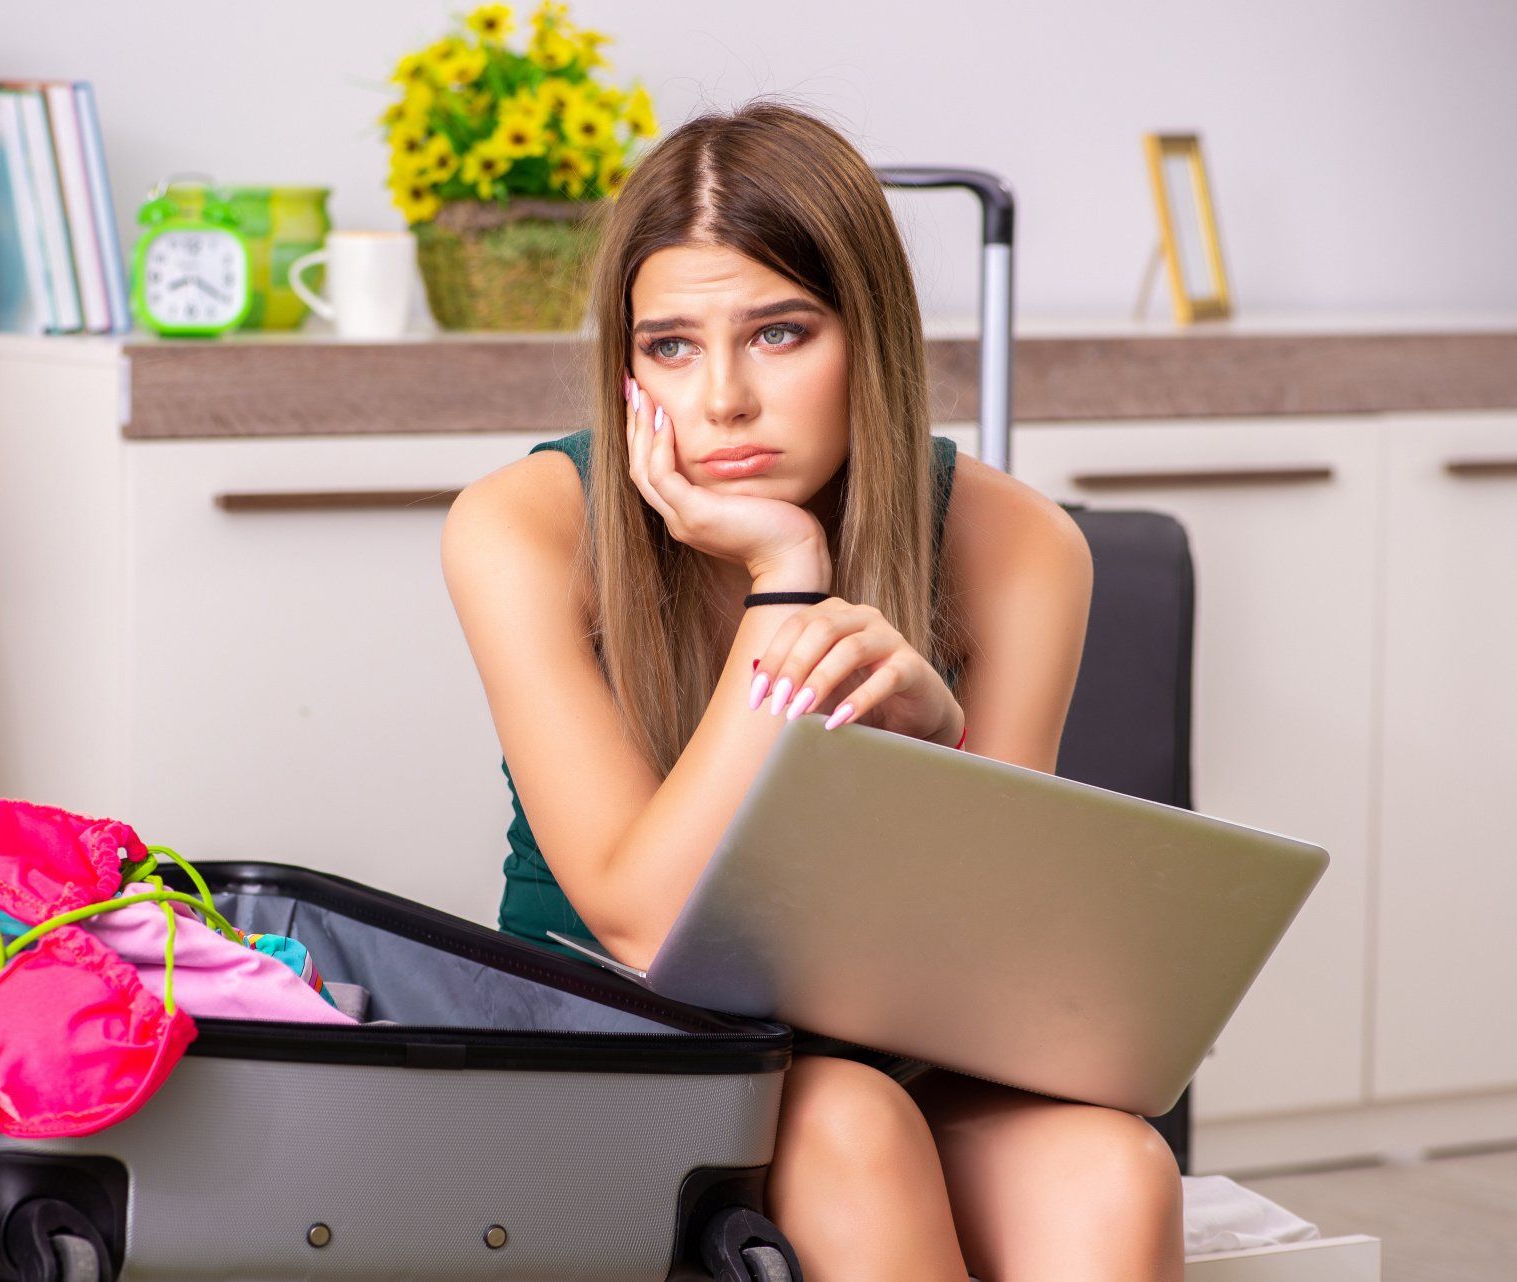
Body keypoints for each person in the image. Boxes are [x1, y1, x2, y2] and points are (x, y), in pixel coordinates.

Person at [440, 99, 1184, 1281]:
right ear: (626, 367)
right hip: (627, 1054)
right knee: (848, 1121)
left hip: (883, 1049)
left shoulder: (1021, 544)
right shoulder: (522, 525)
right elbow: (645, 924)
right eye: (670, 346)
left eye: (779, 333)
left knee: (1115, 1169)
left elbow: (983, 974)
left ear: (868, 338)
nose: (722, 398)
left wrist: (937, 748)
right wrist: (785, 580)